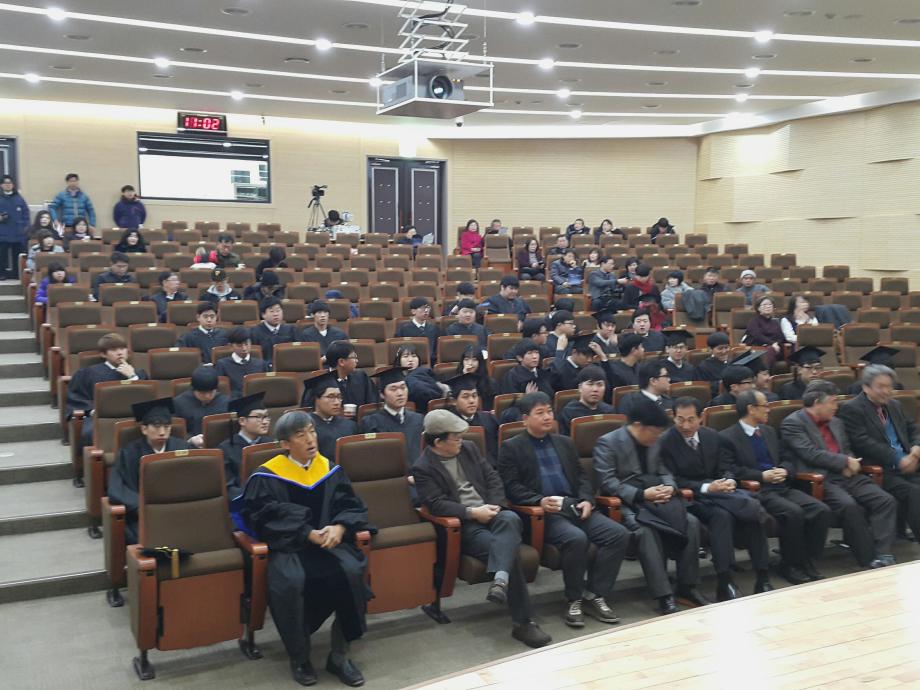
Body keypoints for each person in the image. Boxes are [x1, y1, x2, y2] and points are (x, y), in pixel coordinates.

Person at [238, 410, 373, 687]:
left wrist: (340, 527)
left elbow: (351, 505)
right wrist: (306, 533)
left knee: (351, 571)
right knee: (290, 581)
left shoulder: (330, 469)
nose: (311, 439)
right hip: (289, 546)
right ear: (285, 444)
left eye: (312, 431)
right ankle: (299, 657)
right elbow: (261, 518)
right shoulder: (267, 475)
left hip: (330, 542)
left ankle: (339, 656)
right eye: (301, 435)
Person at [415, 410, 552, 647]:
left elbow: (493, 478)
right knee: (508, 552)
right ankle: (524, 623)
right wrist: (472, 512)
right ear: (438, 442)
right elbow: (436, 504)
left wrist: (494, 505)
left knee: (511, 518)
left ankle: (500, 580)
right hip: (465, 525)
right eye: (455, 438)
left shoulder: (468, 448)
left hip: (492, 512)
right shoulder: (423, 467)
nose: (461, 441)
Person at [499, 392, 629, 627]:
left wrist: (587, 500)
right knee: (576, 538)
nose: (547, 417)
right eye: (540, 413)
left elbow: (582, 477)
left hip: (575, 506)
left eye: (549, 411)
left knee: (618, 534)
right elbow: (512, 487)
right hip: (546, 513)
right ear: (525, 419)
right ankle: (574, 599)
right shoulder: (511, 447)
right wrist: (539, 501)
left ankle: (595, 594)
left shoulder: (565, 442)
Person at [593, 397, 708, 614]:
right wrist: (641, 494)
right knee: (646, 532)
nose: (657, 437)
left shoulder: (656, 440)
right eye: (654, 433)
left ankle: (687, 586)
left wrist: (669, 487)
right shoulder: (608, 442)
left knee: (691, 522)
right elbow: (607, 483)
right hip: (627, 504)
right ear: (638, 425)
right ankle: (664, 595)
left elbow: (664, 470)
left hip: (658, 501)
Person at [659, 397, 773, 600]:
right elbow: (672, 478)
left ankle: (763, 577)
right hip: (691, 498)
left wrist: (728, 480)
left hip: (720, 492)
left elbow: (725, 467)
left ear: (701, 418)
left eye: (691, 419)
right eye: (680, 419)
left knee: (750, 516)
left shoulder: (712, 436)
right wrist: (707, 487)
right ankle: (724, 580)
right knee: (722, 516)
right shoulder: (665, 441)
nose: (685, 425)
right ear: (673, 418)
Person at [781, 379, 897, 569]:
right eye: (833, 401)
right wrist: (844, 462)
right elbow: (810, 453)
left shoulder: (837, 422)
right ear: (817, 402)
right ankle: (869, 559)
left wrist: (850, 462)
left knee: (884, 500)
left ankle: (883, 553)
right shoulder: (793, 423)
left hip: (847, 475)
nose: (836, 406)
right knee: (849, 506)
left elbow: (846, 448)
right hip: (820, 479)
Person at [721, 390, 831, 584]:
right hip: (757, 491)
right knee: (793, 512)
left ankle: (806, 560)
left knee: (821, 510)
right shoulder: (728, 437)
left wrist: (784, 470)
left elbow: (787, 458)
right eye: (765, 405)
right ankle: (789, 565)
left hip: (782, 486)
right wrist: (761, 476)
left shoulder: (769, 431)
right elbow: (730, 470)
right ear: (751, 409)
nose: (768, 409)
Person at [838, 364, 920, 546]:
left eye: (889, 386)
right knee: (914, 493)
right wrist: (898, 458)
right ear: (866, 387)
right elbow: (863, 443)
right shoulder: (851, 409)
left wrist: (916, 447)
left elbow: (913, 429)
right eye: (881, 387)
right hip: (880, 469)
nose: (886, 391)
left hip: (910, 463)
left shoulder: (895, 405)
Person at [107, 398, 189, 543]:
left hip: (180, 512)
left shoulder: (183, 449)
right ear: (144, 429)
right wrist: (141, 506)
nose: (162, 432)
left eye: (167, 427)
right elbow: (116, 487)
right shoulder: (129, 453)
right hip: (144, 514)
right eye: (156, 427)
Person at [64, 333, 149, 466]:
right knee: (89, 433)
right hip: (100, 418)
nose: (120, 353)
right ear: (103, 354)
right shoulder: (88, 373)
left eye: (122, 348)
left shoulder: (139, 374)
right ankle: (89, 468)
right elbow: (77, 397)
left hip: (133, 416)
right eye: (114, 350)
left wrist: (132, 377)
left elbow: (147, 398)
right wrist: (91, 411)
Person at [359, 367, 425, 467]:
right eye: (393, 389)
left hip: (418, 474)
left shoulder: (419, 419)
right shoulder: (371, 423)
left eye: (403, 387)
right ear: (382, 394)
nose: (400, 393)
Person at [220, 392, 272, 500]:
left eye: (266, 416)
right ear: (242, 421)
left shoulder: (271, 444)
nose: (265, 422)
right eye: (259, 417)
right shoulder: (225, 449)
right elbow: (228, 487)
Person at [304, 371, 358, 464]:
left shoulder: (350, 426)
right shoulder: (306, 427)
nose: (337, 402)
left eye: (339, 397)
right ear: (316, 399)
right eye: (330, 396)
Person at [308, 341, 376, 415]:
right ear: (341, 362)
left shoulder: (361, 377)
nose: (357, 361)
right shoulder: (319, 383)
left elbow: (372, 405)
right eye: (354, 357)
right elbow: (311, 413)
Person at [445, 374, 499, 463]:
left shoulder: (489, 419)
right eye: (465, 397)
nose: (471, 401)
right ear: (453, 401)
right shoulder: (447, 425)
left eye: (474, 396)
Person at [173, 366, 229, 447]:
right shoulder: (179, 403)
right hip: (191, 447)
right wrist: (190, 439)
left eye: (211, 392)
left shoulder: (226, 402)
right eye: (202, 393)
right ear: (194, 390)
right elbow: (176, 432)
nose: (207, 396)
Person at [558, 365, 616, 435]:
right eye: (590, 384)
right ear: (580, 387)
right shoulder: (569, 412)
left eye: (600, 385)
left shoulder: (609, 411)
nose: (595, 389)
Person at [215, 327, 271, 398]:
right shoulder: (222, 364)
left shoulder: (261, 364)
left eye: (246, 344)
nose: (244, 348)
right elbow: (221, 390)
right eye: (239, 345)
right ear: (231, 346)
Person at [398, 344, 449, 413]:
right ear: (399, 360)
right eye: (405, 356)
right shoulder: (395, 378)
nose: (410, 360)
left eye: (414, 356)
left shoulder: (426, 372)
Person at [249, 297, 296, 364]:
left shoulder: (291, 330)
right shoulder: (254, 332)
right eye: (271, 311)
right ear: (263, 314)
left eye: (278, 310)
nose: (275, 314)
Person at [0, 175, 29, 279]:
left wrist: (25, 227)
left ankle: (17, 274)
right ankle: (2, 274)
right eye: (5, 183)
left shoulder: (19, 198)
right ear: (1, 185)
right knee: (2, 255)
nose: (8, 185)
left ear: (13, 185)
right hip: (2, 232)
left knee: (17, 255)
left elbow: (26, 213)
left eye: (10, 183)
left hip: (18, 232)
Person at [742, 295, 784, 367]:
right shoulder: (754, 321)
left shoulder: (776, 322)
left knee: (771, 350)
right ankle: (765, 372)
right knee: (768, 350)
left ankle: (765, 372)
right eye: (764, 305)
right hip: (756, 348)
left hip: (774, 349)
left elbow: (780, 337)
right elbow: (757, 336)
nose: (768, 306)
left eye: (770, 304)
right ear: (758, 308)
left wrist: (776, 344)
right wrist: (772, 343)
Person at [454, 345, 495, 411]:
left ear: (480, 362)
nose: (470, 363)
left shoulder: (490, 382)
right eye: (466, 359)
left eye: (474, 360)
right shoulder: (456, 381)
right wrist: (465, 377)